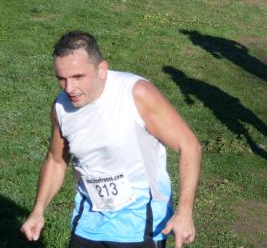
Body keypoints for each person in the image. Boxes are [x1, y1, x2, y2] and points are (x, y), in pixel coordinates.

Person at [20, 31, 201, 247]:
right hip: (89, 221)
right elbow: (56, 160)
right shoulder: (61, 108)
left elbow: (189, 145)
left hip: (140, 224)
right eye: (62, 79)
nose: (69, 88)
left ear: (102, 69)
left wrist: (184, 212)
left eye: (78, 77)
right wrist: (38, 210)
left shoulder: (135, 94)